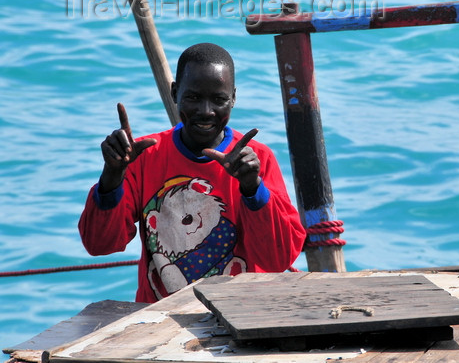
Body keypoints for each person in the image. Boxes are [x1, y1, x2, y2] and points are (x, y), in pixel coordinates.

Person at [79, 43, 306, 303]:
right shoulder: (143, 157)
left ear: (233, 98)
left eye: (219, 100)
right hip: (159, 316)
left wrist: (253, 188)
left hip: (243, 310)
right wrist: (111, 176)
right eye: (194, 97)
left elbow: (279, 258)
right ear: (175, 92)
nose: (206, 111)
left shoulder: (256, 159)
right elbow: (99, 244)